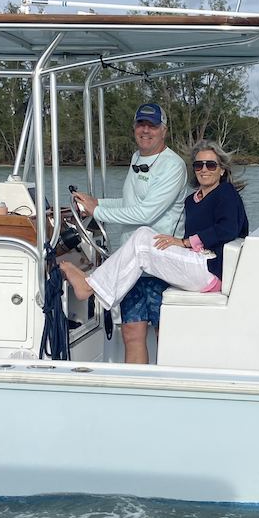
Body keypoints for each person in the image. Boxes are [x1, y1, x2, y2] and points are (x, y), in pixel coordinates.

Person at [61, 140, 248, 311]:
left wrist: (185, 242)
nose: (204, 169)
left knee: (142, 242)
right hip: (197, 264)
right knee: (144, 233)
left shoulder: (226, 193)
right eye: (199, 165)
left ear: (222, 170)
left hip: (212, 270)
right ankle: (97, 285)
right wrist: (98, 204)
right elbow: (137, 206)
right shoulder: (192, 200)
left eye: (211, 165)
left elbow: (228, 229)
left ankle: (90, 286)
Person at [73, 102, 188, 363]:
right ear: (134, 127)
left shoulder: (173, 166)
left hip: (160, 261)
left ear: (164, 130)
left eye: (153, 125)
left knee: (165, 334)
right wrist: (97, 204)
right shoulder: (137, 158)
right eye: (141, 124)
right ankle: (138, 396)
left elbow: (145, 214)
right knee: (132, 333)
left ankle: (170, 394)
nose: (146, 130)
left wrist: (98, 212)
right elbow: (130, 206)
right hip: (131, 264)